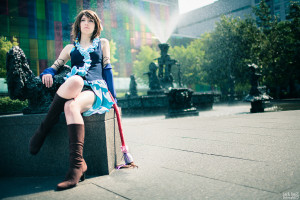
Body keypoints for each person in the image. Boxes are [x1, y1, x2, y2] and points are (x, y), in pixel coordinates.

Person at [28, 10, 117, 190]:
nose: (86, 23)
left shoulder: (103, 43)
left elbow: (107, 68)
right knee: (72, 95)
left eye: (90, 21)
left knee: (73, 91)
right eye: (83, 20)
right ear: (78, 25)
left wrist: (113, 97)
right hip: (74, 88)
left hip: (94, 89)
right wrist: (46, 74)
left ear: (96, 25)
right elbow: (54, 67)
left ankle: (46, 132)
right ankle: (78, 164)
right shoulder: (70, 48)